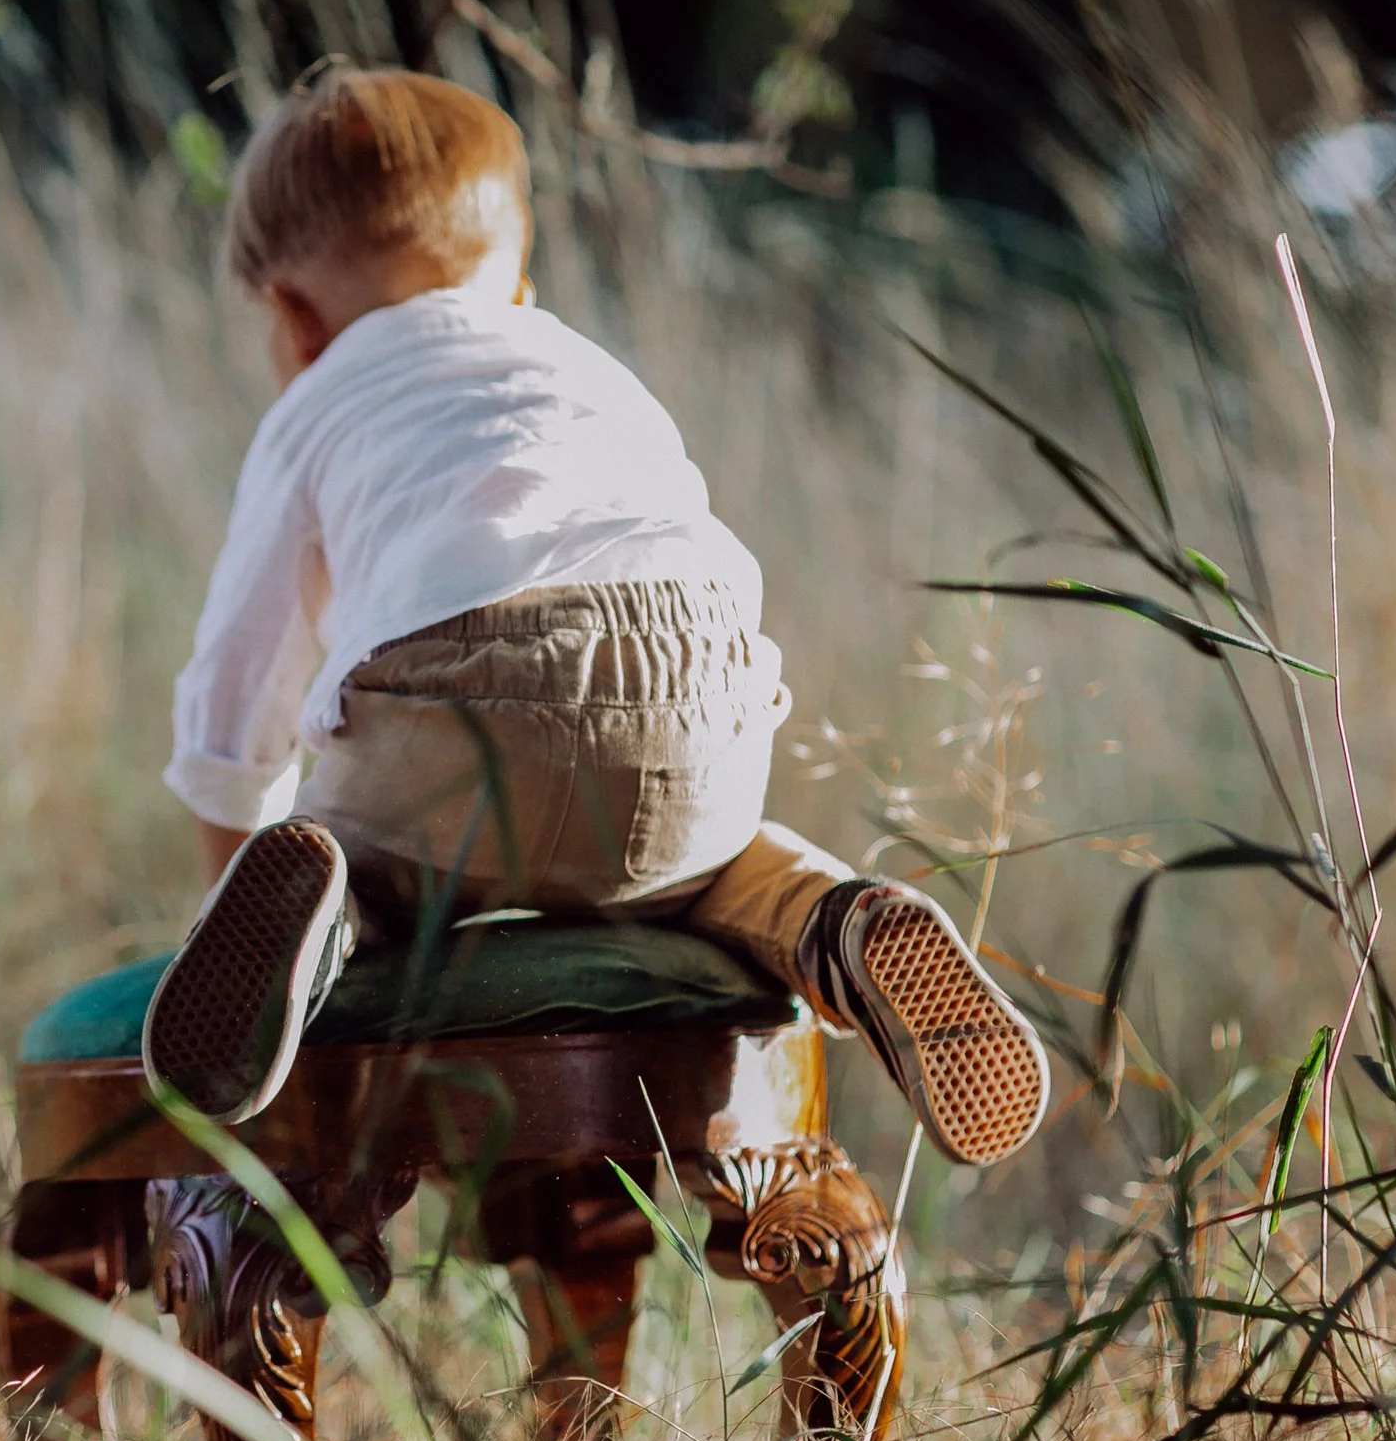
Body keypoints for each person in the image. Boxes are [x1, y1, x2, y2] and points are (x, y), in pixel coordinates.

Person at [141, 65, 1050, 1168]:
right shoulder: (584, 365)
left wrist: (224, 878)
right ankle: (841, 923)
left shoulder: (316, 402)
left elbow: (235, 694)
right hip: (693, 703)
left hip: (453, 709)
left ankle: (317, 915)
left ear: (290, 317)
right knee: (723, 872)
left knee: (365, 860)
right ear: (515, 283)